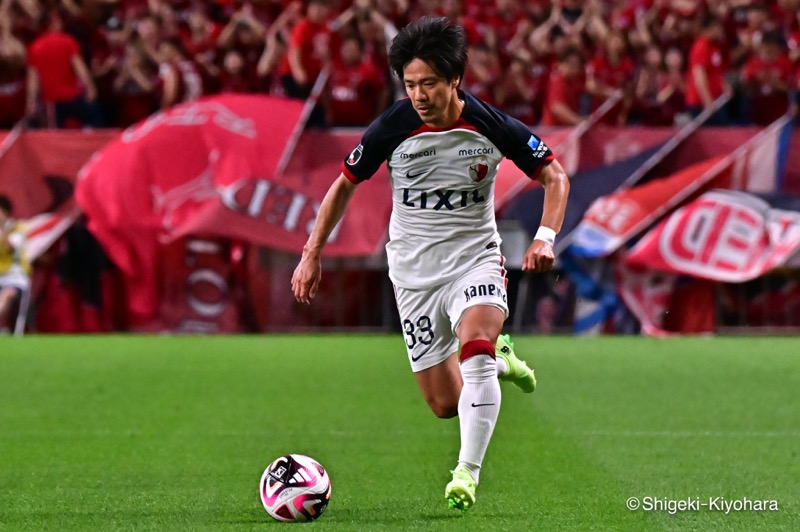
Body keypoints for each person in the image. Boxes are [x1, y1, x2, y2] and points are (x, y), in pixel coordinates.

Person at [291, 17, 569, 513]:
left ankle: (467, 472)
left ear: (455, 79)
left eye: (429, 84)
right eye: (411, 84)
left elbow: (554, 175)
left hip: (475, 260)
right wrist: (312, 253)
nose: (418, 94)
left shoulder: (490, 124)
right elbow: (343, 187)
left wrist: (546, 238)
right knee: (444, 404)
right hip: (414, 275)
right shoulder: (393, 126)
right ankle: (497, 358)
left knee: (476, 351)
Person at [0, 195, 29, 332]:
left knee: (6, 296)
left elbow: (11, 247)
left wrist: (3, 227)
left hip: (14, 277)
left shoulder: (17, 228)